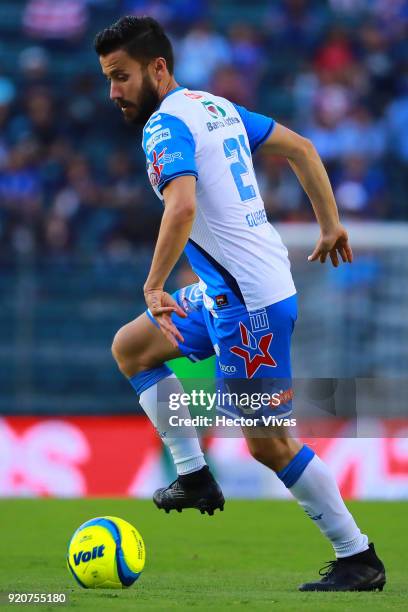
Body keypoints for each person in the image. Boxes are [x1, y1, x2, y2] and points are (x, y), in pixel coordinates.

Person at [94, 16, 386, 592]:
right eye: (108, 78)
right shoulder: (215, 108)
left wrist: (154, 286)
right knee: (132, 347)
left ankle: (358, 557)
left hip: (250, 305)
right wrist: (329, 225)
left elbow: (180, 209)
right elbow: (300, 147)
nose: (113, 92)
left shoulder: (162, 129)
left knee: (269, 443)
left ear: (158, 69)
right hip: (233, 290)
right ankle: (194, 475)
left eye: (122, 76)